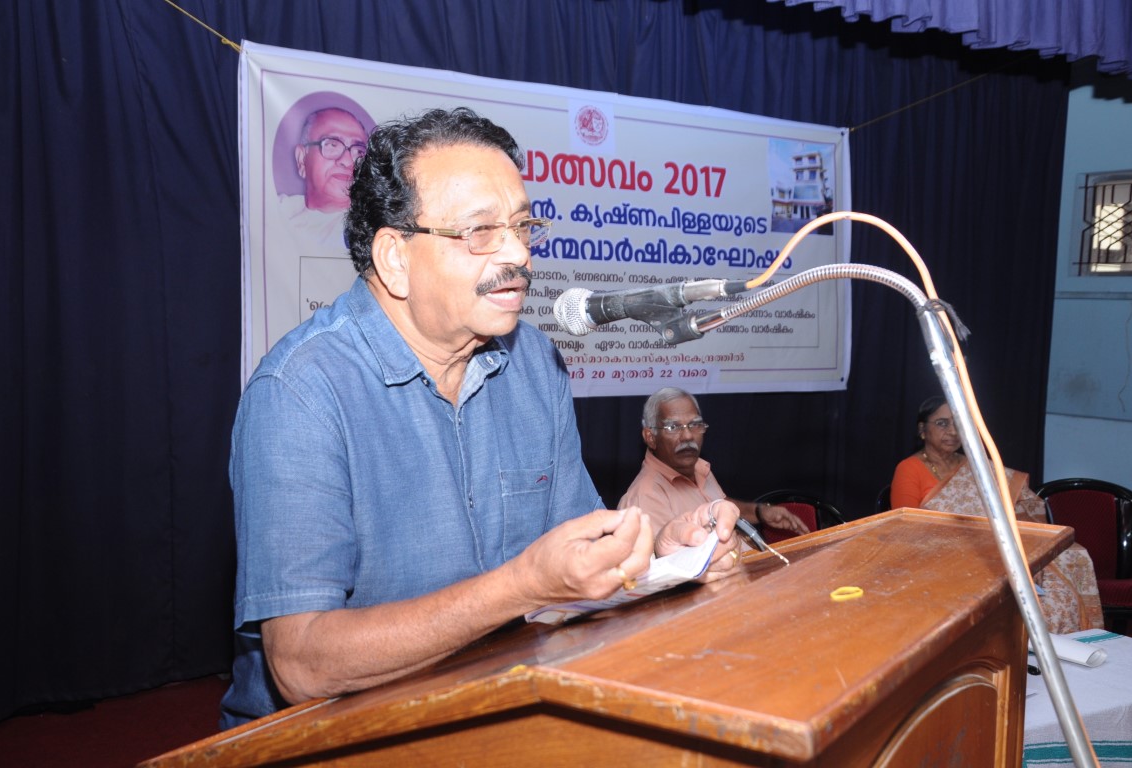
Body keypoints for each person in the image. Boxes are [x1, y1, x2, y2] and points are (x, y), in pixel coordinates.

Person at [220, 108, 743, 729]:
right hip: (334, 739)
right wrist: (521, 586)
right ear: (394, 258)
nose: (518, 254)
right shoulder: (301, 391)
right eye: (481, 232)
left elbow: (575, 560)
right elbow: (301, 665)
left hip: (502, 708)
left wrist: (661, 558)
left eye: (522, 226)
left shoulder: (534, 363)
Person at [890, 396, 1104, 634]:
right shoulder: (909, 469)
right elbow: (906, 529)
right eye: (942, 423)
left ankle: (1061, 641)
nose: (952, 431)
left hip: (989, 549)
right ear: (922, 429)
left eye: (959, 423)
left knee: (1068, 558)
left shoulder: (977, 465)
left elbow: (1015, 507)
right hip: (939, 556)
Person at [619, 387, 810, 537]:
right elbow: (671, 569)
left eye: (694, 424)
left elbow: (720, 505)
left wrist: (759, 512)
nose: (687, 436)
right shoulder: (646, 497)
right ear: (650, 437)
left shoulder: (699, 468)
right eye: (673, 427)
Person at [271, 106, 370, 256]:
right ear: (302, 159)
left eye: (358, 151)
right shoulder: (277, 211)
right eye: (332, 145)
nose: (348, 161)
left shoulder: (372, 229)